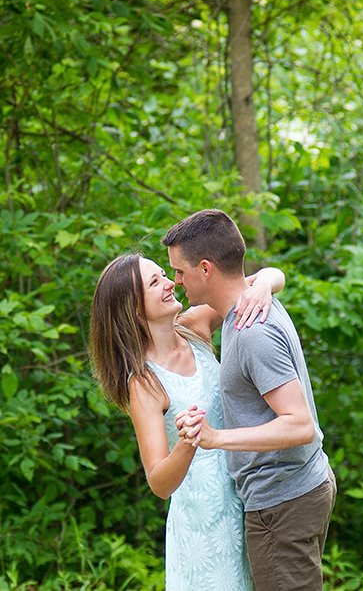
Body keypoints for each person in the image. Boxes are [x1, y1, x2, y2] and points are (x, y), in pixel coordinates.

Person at [88, 253, 287, 591]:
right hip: (203, 520)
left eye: (164, 274)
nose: (171, 283)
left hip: (249, 493)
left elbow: (274, 274)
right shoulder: (145, 384)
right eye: (155, 282)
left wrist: (263, 286)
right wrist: (188, 442)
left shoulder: (195, 326)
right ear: (134, 309)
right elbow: (159, 483)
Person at [164, 209, 334, 591]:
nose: (176, 282)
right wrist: (268, 280)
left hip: (282, 500)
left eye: (179, 271)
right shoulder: (245, 303)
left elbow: (300, 424)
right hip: (294, 490)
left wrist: (215, 438)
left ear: (205, 269)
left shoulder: (251, 330)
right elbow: (270, 276)